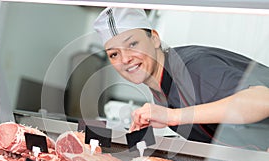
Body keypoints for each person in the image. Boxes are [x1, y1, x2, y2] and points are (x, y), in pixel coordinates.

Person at [93, 7, 269, 146]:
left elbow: (263, 101)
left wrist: (173, 116)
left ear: (154, 38)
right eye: (114, 54)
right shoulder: (161, 87)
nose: (125, 59)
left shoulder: (192, 67)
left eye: (133, 44)